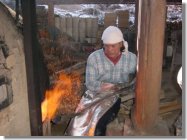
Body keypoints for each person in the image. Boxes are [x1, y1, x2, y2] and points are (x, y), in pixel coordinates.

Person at [65, 26, 137, 136]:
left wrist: (126, 86)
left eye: (113, 46)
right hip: (93, 93)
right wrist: (103, 86)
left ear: (121, 44)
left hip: (114, 95)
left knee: (99, 123)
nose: (110, 49)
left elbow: (138, 78)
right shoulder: (94, 58)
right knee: (79, 122)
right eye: (106, 46)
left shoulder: (131, 59)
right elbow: (90, 83)